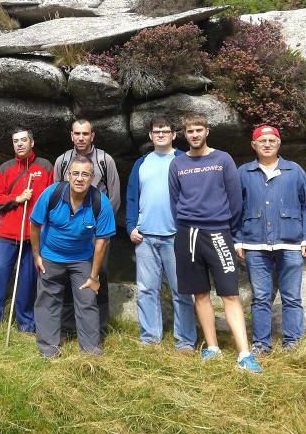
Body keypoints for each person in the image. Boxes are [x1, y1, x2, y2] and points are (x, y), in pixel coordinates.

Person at [168, 113, 262, 373]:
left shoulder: (222, 159)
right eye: (190, 131)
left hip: (219, 232)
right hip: (187, 234)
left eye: (199, 130)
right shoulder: (177, 164)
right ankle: (212, 347)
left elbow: (235, 200)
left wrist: (224, 226)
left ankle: (244, 353)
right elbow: (175, 201)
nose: (195, 135)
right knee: (199, 292)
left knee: (230, 293)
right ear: (184, 135)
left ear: (207, 131)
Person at [30, 155, 116, 357]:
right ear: (68, 175)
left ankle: (90, 350)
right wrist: (36, 255)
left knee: (87, 300)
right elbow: (34, 224)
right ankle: (48, 349)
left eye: (85, 174)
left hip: (81, 259)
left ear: (92, 178)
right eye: (75, 173)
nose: (79, 178)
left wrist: (94, 277)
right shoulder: (52, 193)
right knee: (47, 301)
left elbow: (102, 242)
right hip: (51, 256)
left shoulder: (100, 203)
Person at [126, 116, 196, 350]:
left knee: (181, 290)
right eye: (157, 131)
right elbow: (132, 197)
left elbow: (193, 197)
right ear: (150, 136)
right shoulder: (141, 163)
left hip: (176, 236)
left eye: (165, 131)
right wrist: (130, 226)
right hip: (145, 236)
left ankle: (185, 341)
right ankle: (149, 338)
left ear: (174, 135)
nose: (161, 135)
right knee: (146, 290)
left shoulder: (184, 160)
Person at [234, 124, 306, 354]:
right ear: (253, 145)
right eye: (262, 141)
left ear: (279, 144)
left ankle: (293, 343)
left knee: (292, 297)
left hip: (291, 243)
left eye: (271, 141)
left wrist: (305, 237)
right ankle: (261, 344)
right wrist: (237, 240)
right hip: (255, 243)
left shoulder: (294, 171)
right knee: (261, 297)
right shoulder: (243, 173)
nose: (267, 144)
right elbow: (235, 208)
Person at [0, 128, 53, 333]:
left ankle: (26, 323)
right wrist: (16, 198)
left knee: (27, 281)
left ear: (32, 142)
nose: (19, 144)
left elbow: (51, 199)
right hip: (7, 234)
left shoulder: (45, 166)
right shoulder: (6, 168)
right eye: (15, 141)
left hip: (33, 236)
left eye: (23, 140)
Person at [53, 118, 120, 336]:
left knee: (98, 274)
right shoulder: (62, 161)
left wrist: (100, 227)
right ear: (71, 135)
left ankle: (97, 326)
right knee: (66, 275)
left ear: (92, 136)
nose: (81, 138)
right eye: (77, 133)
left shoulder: (104, 160)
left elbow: (114, 197)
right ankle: (67, 326)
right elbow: (56, 196)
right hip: (69, 233)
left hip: (97, 233)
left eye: (85, 134)